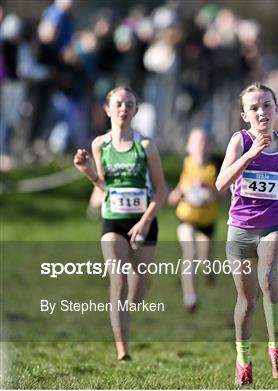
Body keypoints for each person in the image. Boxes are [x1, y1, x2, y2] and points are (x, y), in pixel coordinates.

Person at [215, 82, 278, 386]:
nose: (261, 112)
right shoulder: (239, 142)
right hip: (241, 231)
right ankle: (243, 360)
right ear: (244, 115)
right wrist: (248, 156)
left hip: (274, 226)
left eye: (266, 105)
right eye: (254, 108)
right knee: (247, 302)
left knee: (267, 275)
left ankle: (276, 347)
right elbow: (220, 183)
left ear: (276, 109)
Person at [73, 86, 166, 361]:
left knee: (138, 289)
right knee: (118, 279)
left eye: (129, 104)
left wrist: (145, 221)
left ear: (136, 111)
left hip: (144, 221)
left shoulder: (145, 146)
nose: (123, 108)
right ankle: (122, 350)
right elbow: (104, 185)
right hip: (112, 219)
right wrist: (87, 171)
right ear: (107, 109)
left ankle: (126, 315)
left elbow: (161, 191)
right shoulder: (100, 144)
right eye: (118, 104)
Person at [168, 128, 219, 312]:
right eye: (197, 142)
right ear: (189, 146)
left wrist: (208, 189)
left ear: (210, 146)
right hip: (186, 217)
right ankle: (190, 297)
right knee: (190, 252)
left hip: (207, 221)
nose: (201, 146)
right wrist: (176, 195)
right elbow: (177, 191)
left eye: (205, 142)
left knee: (204, 260)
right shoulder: (185, 164)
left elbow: (225, 194)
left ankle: (209, 269)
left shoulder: (215, 165)